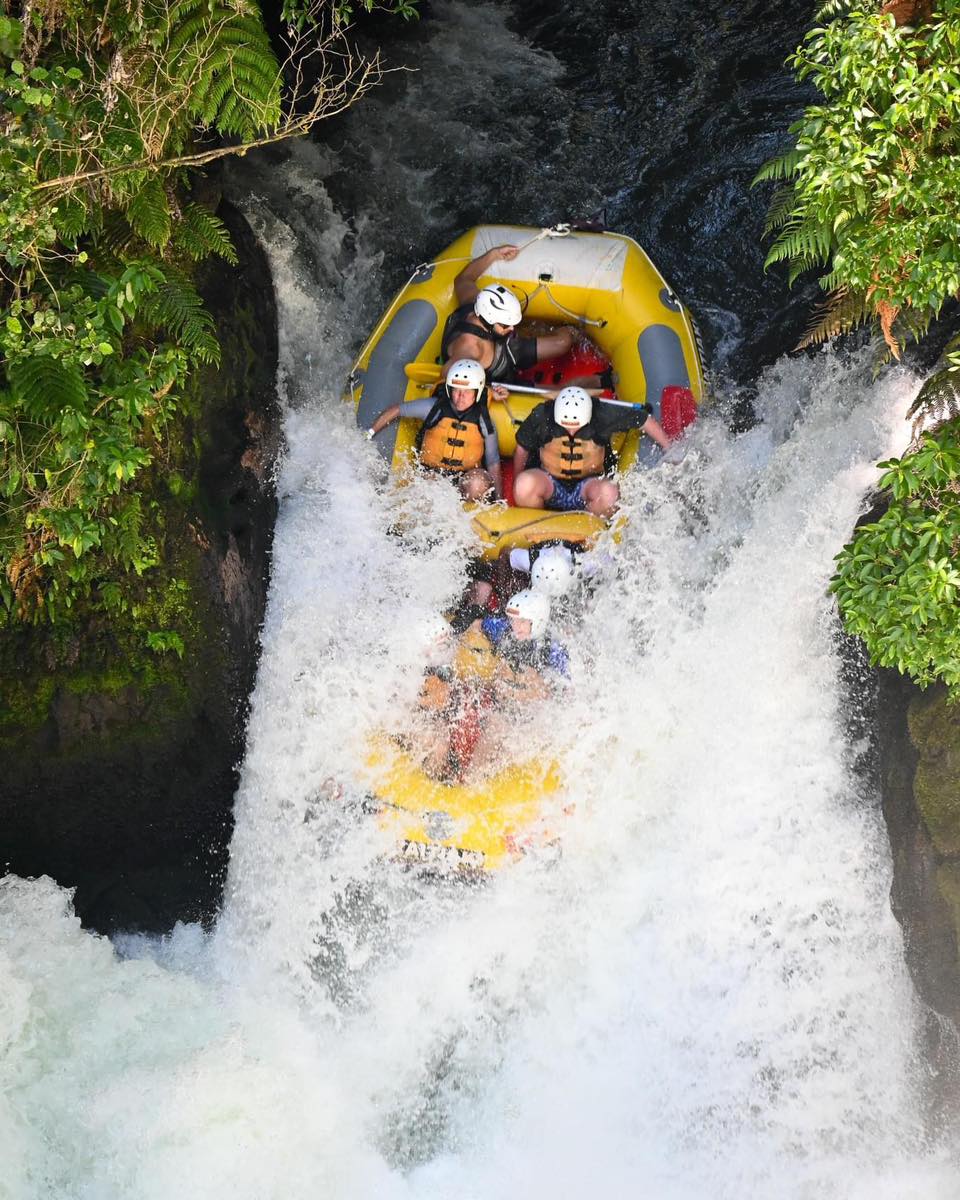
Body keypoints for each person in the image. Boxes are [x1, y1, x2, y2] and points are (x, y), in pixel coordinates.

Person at [512, 385, 672, 518]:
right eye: (566, 425)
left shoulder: (601, 414)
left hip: (588, 486)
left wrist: (668, 448)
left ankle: (587, 526)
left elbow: (642, 419)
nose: (571, 431)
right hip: (550, 483)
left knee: (610, 494)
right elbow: (522, 447)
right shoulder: (543, 415)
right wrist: (516, 480)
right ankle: (539, 523)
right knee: (523, 486)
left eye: (576, 426)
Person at [366, 358, 503, 500]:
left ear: (477, 392)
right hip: (433, 474)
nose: (460, 397)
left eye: (467, 392)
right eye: (456, 390)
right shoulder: (432, 408)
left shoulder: (484, 421)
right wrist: (370, 432)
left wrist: (499, 500)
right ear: (450, 389)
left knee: (477, 483)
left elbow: (493, 462)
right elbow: (397, 410)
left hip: (465, 478)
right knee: (431, 486)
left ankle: (468, 512)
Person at [441, 244, 577, 384]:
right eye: (506, 325)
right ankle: (571, 330)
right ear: (489, 320)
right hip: (507, 354)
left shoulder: (474, 303)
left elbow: (463, 279)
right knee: (563, 342)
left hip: (498, 342)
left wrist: (495, 254)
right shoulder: (469, 348)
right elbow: (447, 372)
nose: (511, 328)